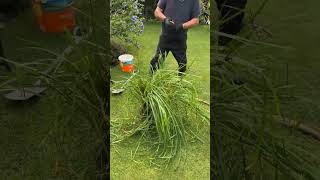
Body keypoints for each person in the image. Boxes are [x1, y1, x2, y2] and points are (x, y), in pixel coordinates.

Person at [150, 0, 201, 75]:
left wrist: (182, 26)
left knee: (182, 65)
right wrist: (165, 19)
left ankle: (179, 82)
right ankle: (151, 79)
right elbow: (157, 11)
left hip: (180, 39)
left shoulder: (194, 1)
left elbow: (195, 20)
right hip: (165, 37)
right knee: (156, 61)